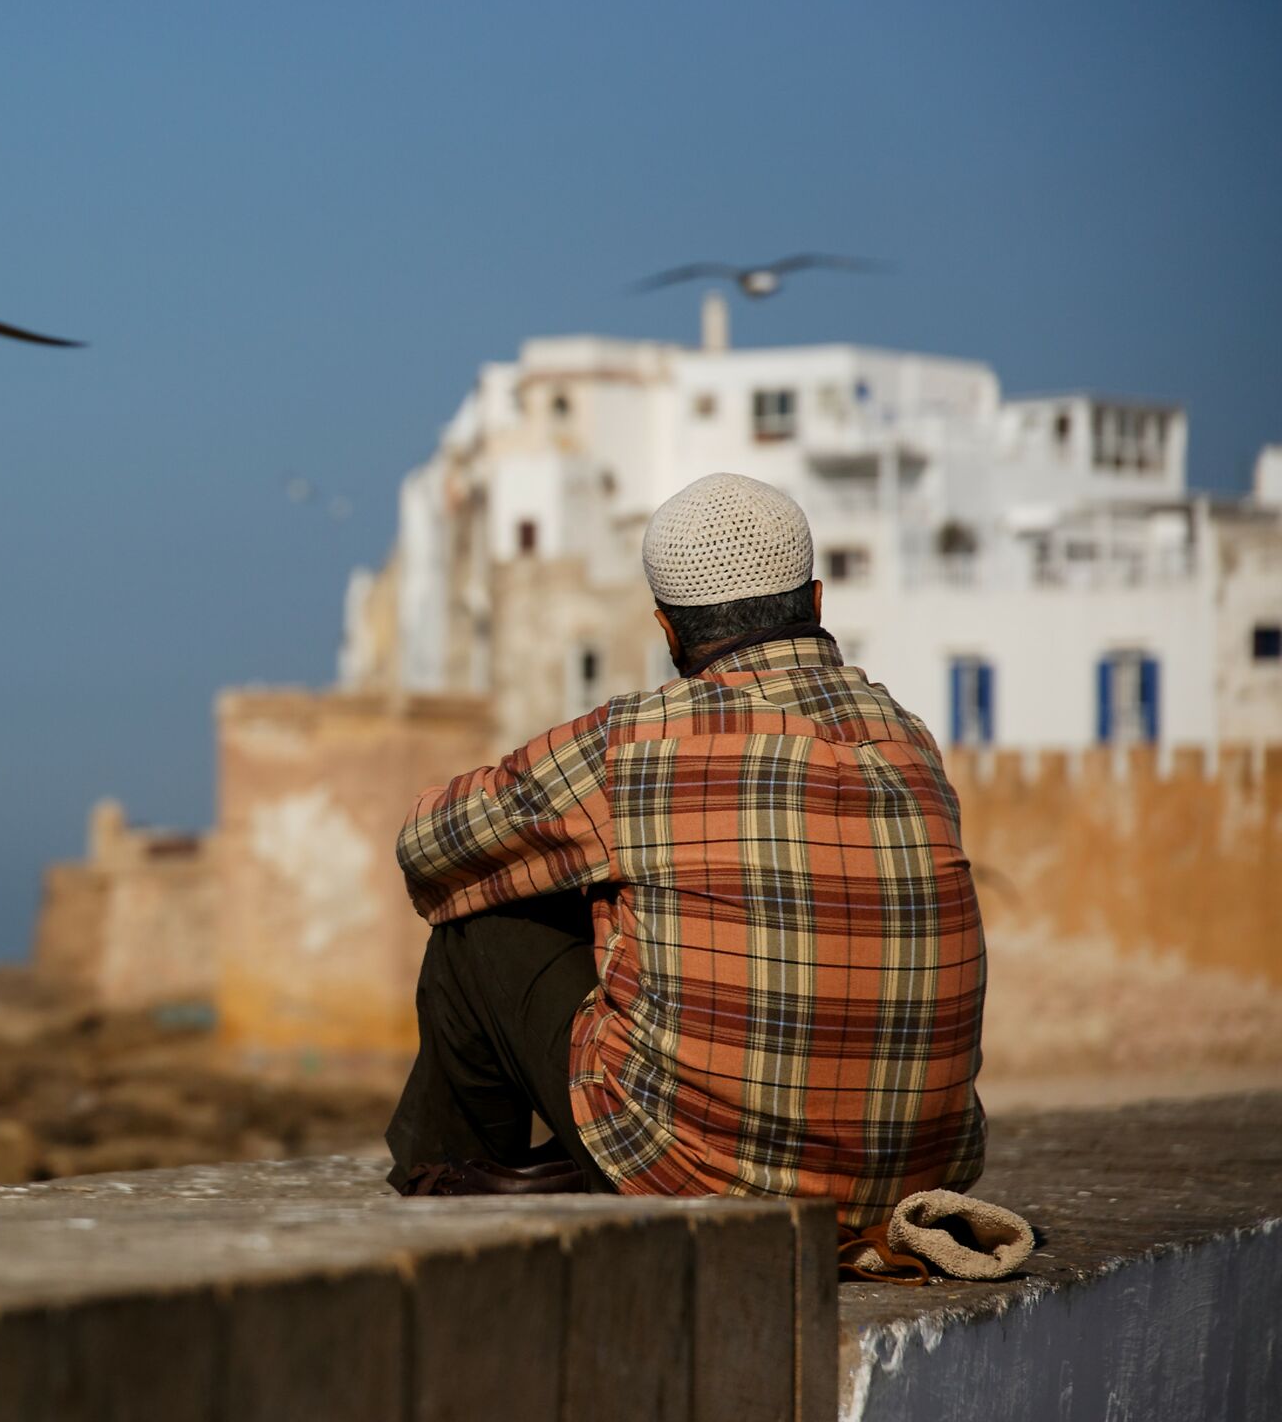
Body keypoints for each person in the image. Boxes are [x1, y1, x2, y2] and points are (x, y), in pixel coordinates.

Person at [385, 472, 986, 1224]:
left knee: (483, 923)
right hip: (917, 1180)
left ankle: (447, 1201)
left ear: (667, 630)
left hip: (705, 1181)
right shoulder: (909, 738)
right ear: (818, 601)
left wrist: (585, 876)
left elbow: (429, 845)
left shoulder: (636, 743)